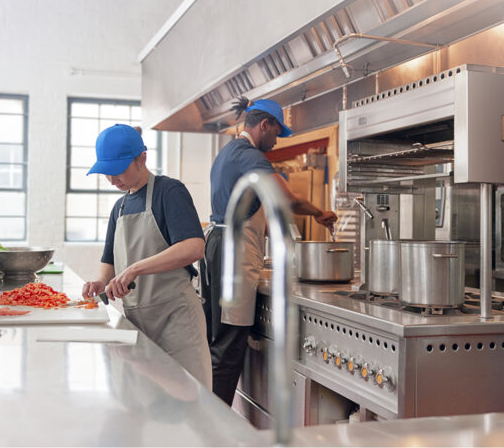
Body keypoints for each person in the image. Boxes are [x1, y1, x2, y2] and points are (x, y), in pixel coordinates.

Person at [201, 96, 338, 405]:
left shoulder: (227, 153)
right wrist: (319, 212)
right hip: (233, 256)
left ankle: (209, 421)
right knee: (229, 346)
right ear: (265, 125)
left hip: (219, 248)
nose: (277, 141)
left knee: (219, 343)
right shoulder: (248, 155)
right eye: (277, 132)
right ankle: (213, 428)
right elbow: (286, 198)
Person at [82, 124, 212, 389]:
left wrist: (135, 269)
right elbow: (109, 261)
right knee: (149, 406)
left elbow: (194, 247)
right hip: (137, 323)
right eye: (107, 172)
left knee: (189, 403)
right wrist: (99, 283)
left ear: (142, 158)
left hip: (176, 320)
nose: (112, 179)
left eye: (119, 170)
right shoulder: (119, 208)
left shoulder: (169, 192)